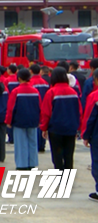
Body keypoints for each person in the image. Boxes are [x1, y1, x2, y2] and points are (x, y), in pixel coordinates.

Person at [40, 66, 82, 170]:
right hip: (71, 129)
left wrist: (44, 128)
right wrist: (78, 127)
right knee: (69, 155)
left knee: (57, 155)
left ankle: (60, 174)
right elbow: (79, 111)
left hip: (56, 129)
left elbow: (46, 113)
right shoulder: (73, 92)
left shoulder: (51, 92)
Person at [6, 68, 41, 170]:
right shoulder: (35, 91)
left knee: (20, 143)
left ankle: (22, 164)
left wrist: (8, 121)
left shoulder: (16, 91)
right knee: (33, 142)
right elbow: (39, 106)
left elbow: (11, 108)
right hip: (33, 120)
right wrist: (40, 120)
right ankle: (32, 163)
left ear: (19, 78)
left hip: (19, 120)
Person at [81, 69, 98, 202]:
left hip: (97, 136)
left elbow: (90, 118)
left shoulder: (94, 96)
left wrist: (85, 135)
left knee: (97, 163)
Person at [30, 64, 50, 153]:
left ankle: (37, 145)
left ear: (31, 71)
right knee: (43, 125)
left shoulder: (30, 82)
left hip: (34, 107)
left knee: (36, 126)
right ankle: (42, 145)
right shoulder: (45, 83)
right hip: (44, 106)